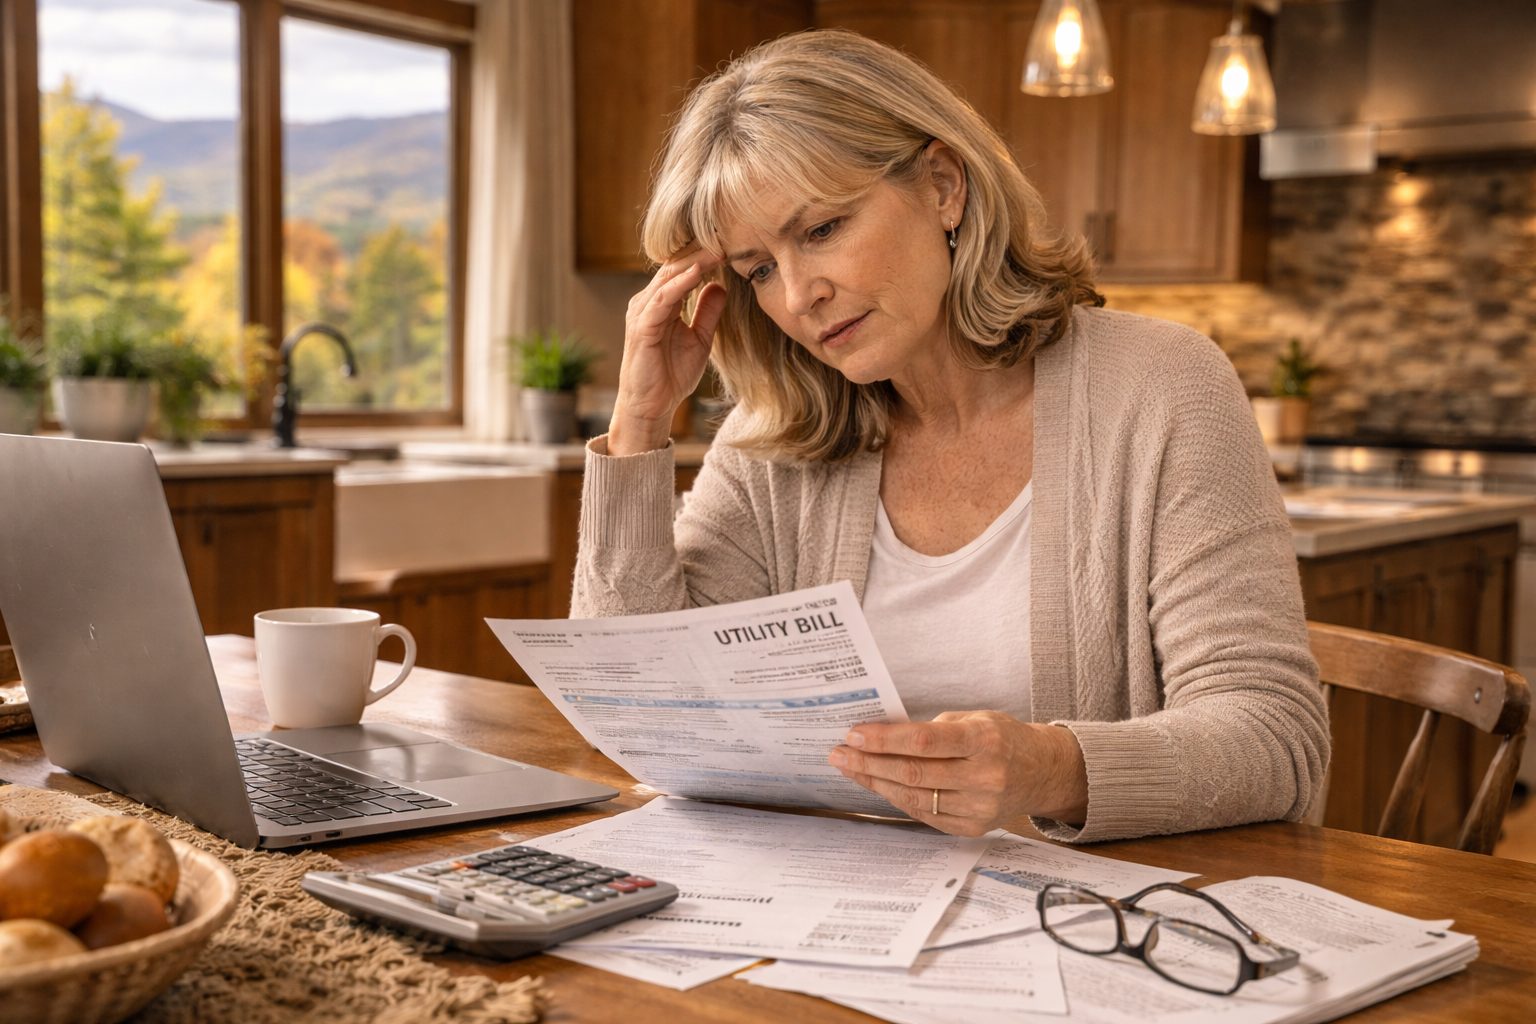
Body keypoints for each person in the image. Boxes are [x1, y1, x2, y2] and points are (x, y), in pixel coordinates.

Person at [571, 29, 1329, 843]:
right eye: (758, 268)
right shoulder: (774, 440)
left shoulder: (1161, 386)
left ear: (942, 186)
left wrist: (1049, 768)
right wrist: (638, 423)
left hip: (1086, 904)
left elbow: (1274, 736)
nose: (797, 296)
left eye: (822, 229)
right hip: (834, 897)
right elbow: (643, 711)